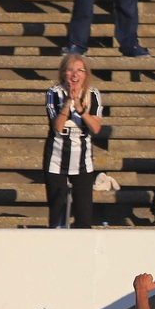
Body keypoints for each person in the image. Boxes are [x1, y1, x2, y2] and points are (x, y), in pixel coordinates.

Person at [43, 53, 104, 229]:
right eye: (70, 70)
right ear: (63, 73)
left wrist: (80, 108)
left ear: (86, 74)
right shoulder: (54, 93)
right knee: (57, 213)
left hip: (83, 160)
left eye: (79, 70)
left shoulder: (93, 94)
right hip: (56, 157)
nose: (75, 75)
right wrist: (68, 101)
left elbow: (96, 128)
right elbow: (58, 126)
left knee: (84, 215)